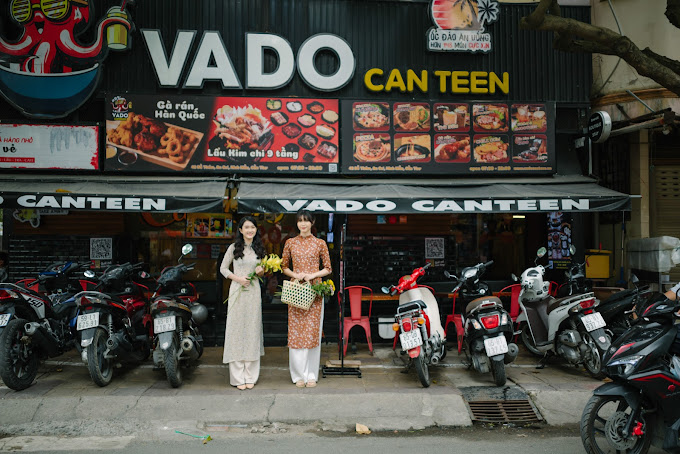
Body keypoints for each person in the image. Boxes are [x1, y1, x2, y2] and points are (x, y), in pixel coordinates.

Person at [281, 210, 332, 388]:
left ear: (312, 222)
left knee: (312, 333)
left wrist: (312, 275)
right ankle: (297, 376)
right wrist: (296, 274)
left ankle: (311, 374)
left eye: (306, 221)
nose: (303, 224)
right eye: (300, 221)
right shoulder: (290, 243)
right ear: (297, 223)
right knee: (296, 333)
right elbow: (283, 266)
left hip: (315, 291)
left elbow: (328, 268)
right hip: (296, 289)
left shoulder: (320, 243)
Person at [220, 216, 265, 390]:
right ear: (240, 230)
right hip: (237, 292)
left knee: (252, 330)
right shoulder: (233, 248)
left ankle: (251, 375)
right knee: (236, 330)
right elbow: (223, 269)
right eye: (246, 227)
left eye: (252, 227)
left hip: (253, 292)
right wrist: (238, 278)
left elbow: (262, 272)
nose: (250, 230)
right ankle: (238, 377)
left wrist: (261, 271)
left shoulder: (259, 248)